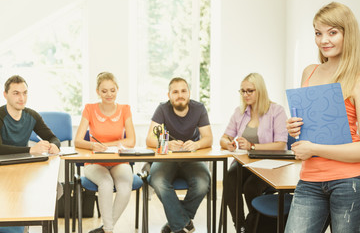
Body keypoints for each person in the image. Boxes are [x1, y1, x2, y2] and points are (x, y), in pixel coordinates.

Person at [285, 2, 360, 233]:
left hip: (348, 182)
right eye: (318, 33)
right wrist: (294, 128)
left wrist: (314, 147)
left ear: (348, 33)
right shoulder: (310, 72)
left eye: (333, 32)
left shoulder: (357, 79)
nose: (324, 40)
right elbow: (305, 131)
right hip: (309, 179)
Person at [220, 73, 288, 232]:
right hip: (245, 161)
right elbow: (224, 137)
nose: (245, 95)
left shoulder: (276, 111)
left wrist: (252, 146)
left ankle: (253, 225)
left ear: (260, 90)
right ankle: (241, 226)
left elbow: (281, 145)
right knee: (230, 179)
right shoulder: (240, 112)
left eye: (250, 91)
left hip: (270, 163)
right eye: (242, 91)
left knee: (251, 187)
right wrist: (228, 144)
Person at [145, 77, 213, 233]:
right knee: (157, 180)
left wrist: (196, 144)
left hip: (191, 157)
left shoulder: (199, 108)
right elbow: (149, 138)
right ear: (169, 95)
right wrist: (166, 144)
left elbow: (208, 138)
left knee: (203, 182)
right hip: (168, 157)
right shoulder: (162, 108)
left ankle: (177, 222)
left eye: (183, 91)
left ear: (189, 93)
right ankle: (183, 224)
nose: (180, 95)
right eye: (175, 92)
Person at [74, 72, 136, 233]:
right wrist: (93, 146)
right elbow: (78, 141)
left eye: (112, 90)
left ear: (117, 90)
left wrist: (107, 144)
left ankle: (105, 228)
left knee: (124, 188)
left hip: (119, 161)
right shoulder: (89, 109)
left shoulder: (125, 109)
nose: (109, 94)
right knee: (106, 184)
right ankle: (109, 230)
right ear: (97, 92)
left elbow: (131, 141)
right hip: (95, 162)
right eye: (104, 91)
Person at [0, 75, 61, 233]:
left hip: (23, 169)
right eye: (16, 93)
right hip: (3, 171)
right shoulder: (0, 116)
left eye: (25, 93)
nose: (22, 98)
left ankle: (28, 222)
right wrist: (30, 150)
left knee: (56, 189)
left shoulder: (31, 115)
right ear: (5, 95)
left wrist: (54, 145)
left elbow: (53, 138)